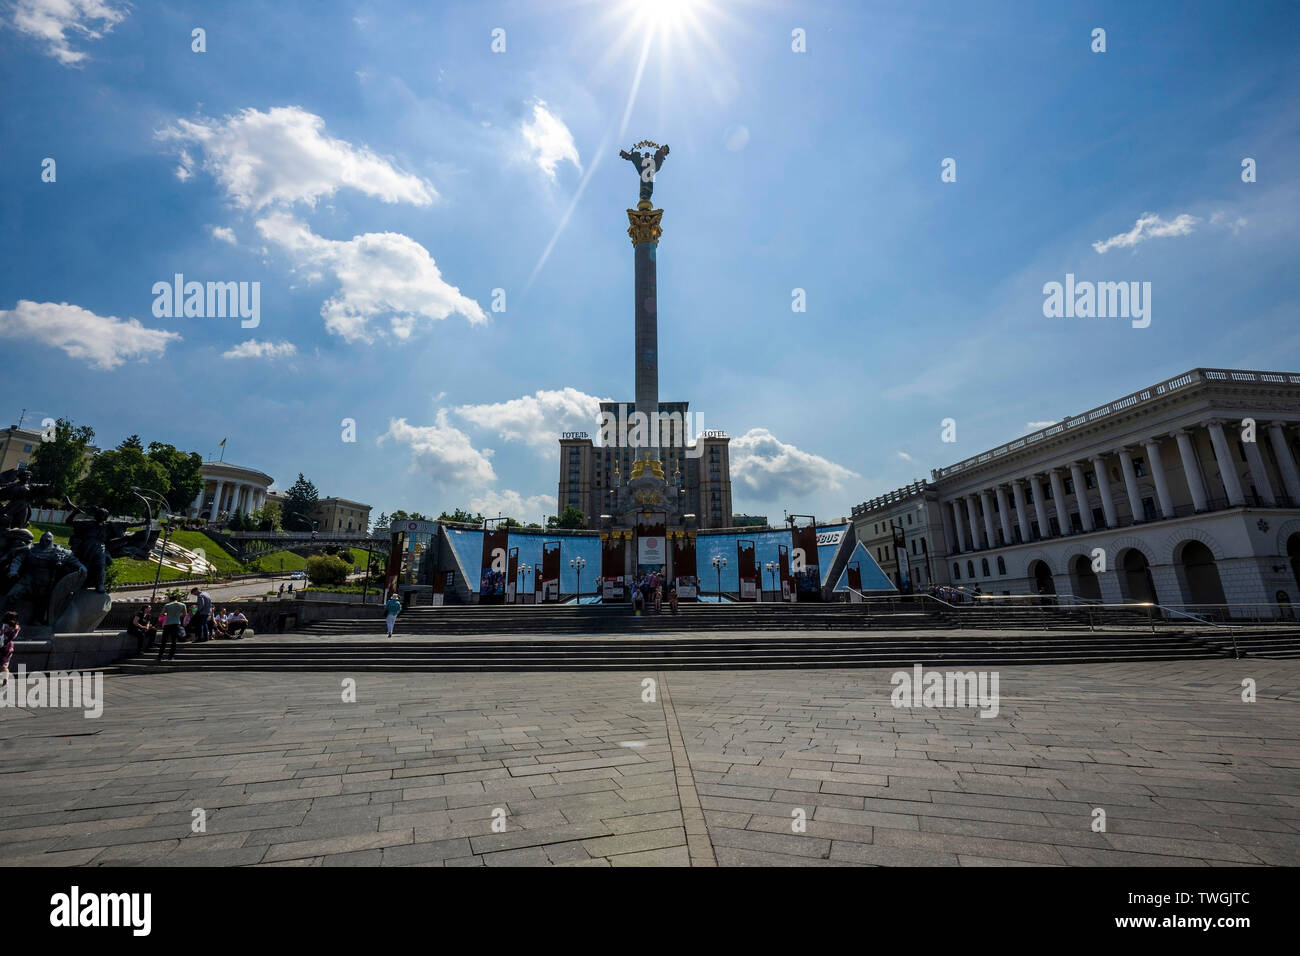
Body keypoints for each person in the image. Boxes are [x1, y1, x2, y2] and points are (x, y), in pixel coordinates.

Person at [157, 594, 185, 662]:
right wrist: (177, 614)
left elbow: (161, 614)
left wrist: (167, 614)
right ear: (177, 599)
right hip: (176, 624)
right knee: (173, 641)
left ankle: (160, 656)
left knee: (164, 641)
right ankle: (171, 656)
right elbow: (184, 614)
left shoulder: (167, 605)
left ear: (170, 599)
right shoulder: (182, 605)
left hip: (167, 624)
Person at [1, 611, 19, 685]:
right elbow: (13, 636)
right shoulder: (16, 628)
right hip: (9, 647)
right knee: (4, 665)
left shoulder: (2, 626)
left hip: (1, 646)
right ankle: (6, 679)